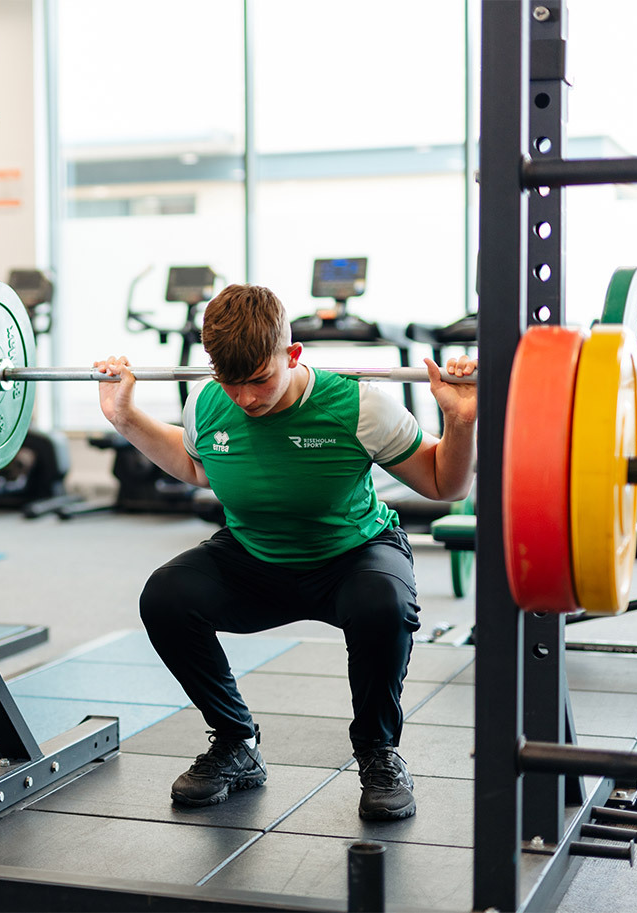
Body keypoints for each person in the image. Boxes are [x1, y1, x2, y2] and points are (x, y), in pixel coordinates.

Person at [94, 283, 476, 820]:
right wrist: (125, 417)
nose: (246, 399)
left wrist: (460, 423)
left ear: (292, 355)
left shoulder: (360, 405)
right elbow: (197, 467)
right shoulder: (207, 402)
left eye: (260, 380)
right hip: (255, 556)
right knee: (165, 596)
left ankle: (378, 754)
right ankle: (235, 743)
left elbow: (444, 485)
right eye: (231, 383)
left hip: (353, 555)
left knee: (381, 606)